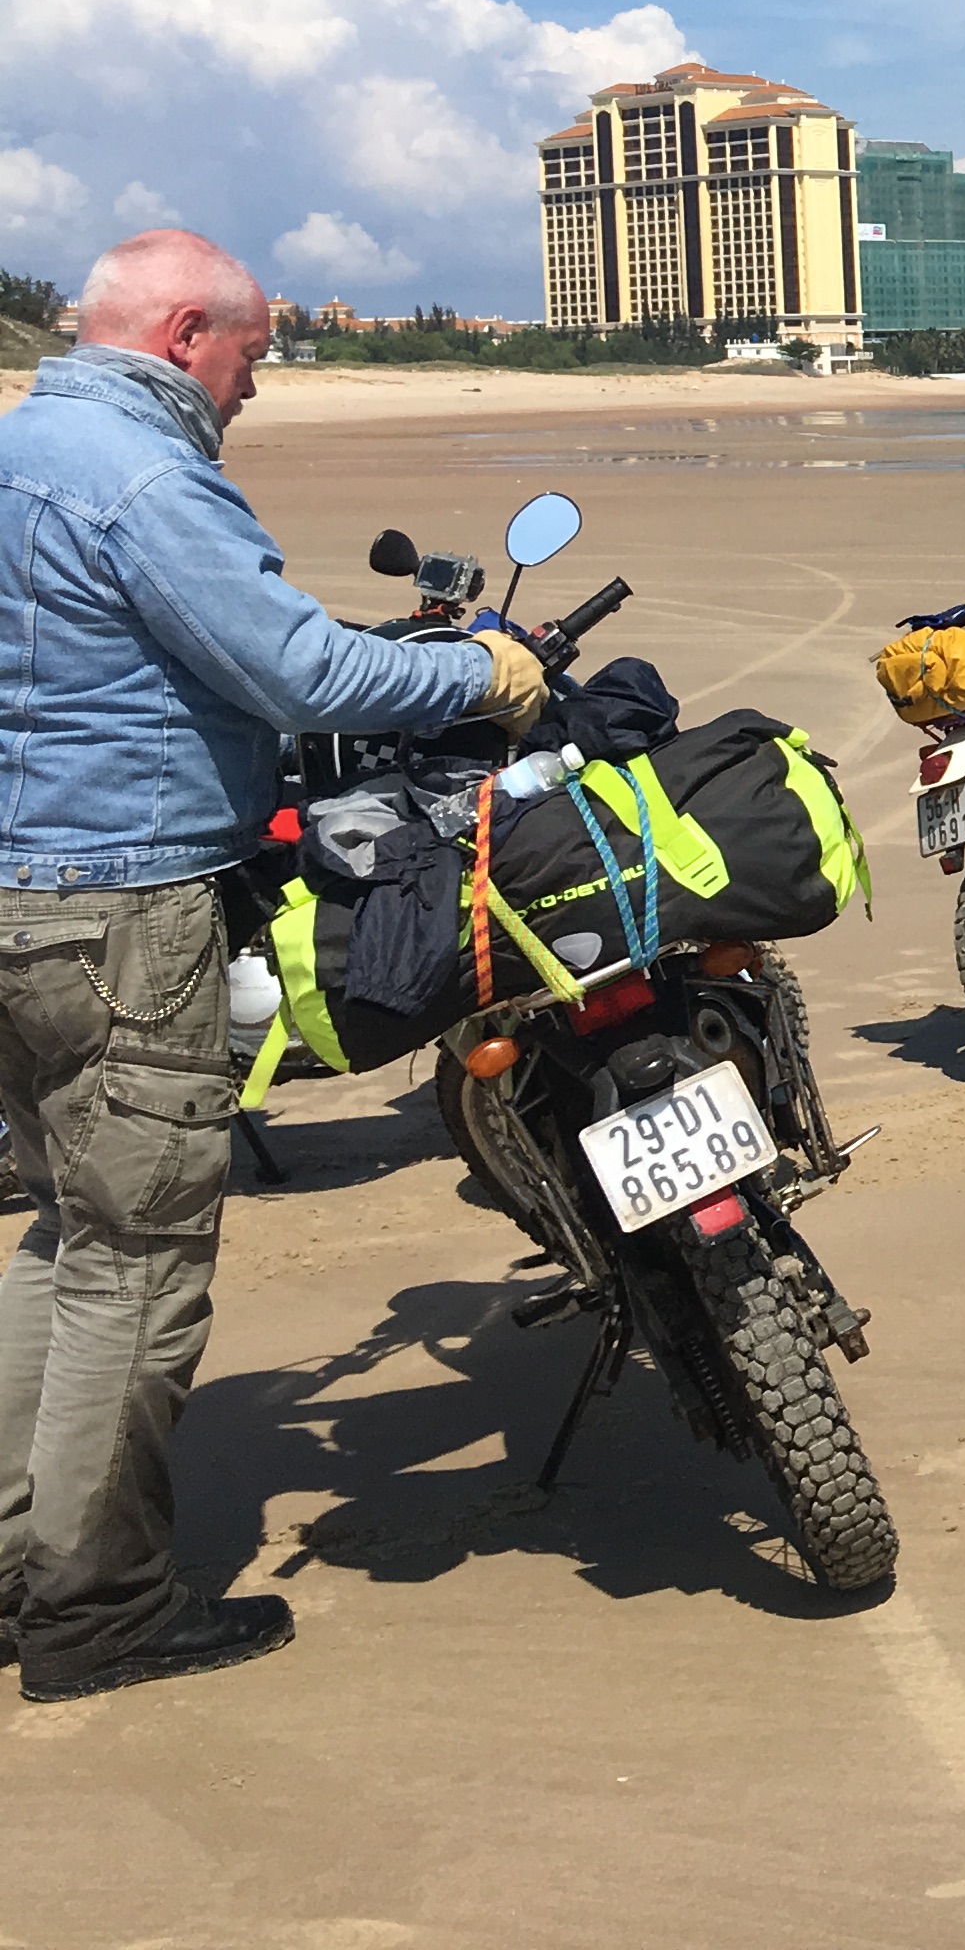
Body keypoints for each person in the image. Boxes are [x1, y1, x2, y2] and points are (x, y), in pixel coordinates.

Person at [0, 230, 543, 1701]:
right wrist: (477, 672)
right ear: (187, 332)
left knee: (63, 1228)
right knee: (138, 1263)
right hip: (119, 910)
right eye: (254, 353)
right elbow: (299, 669)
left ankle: (18, 1561)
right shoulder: (137, 472)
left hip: (19, 900)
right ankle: (97, 1608)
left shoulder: (22, 444)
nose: (256, 382)